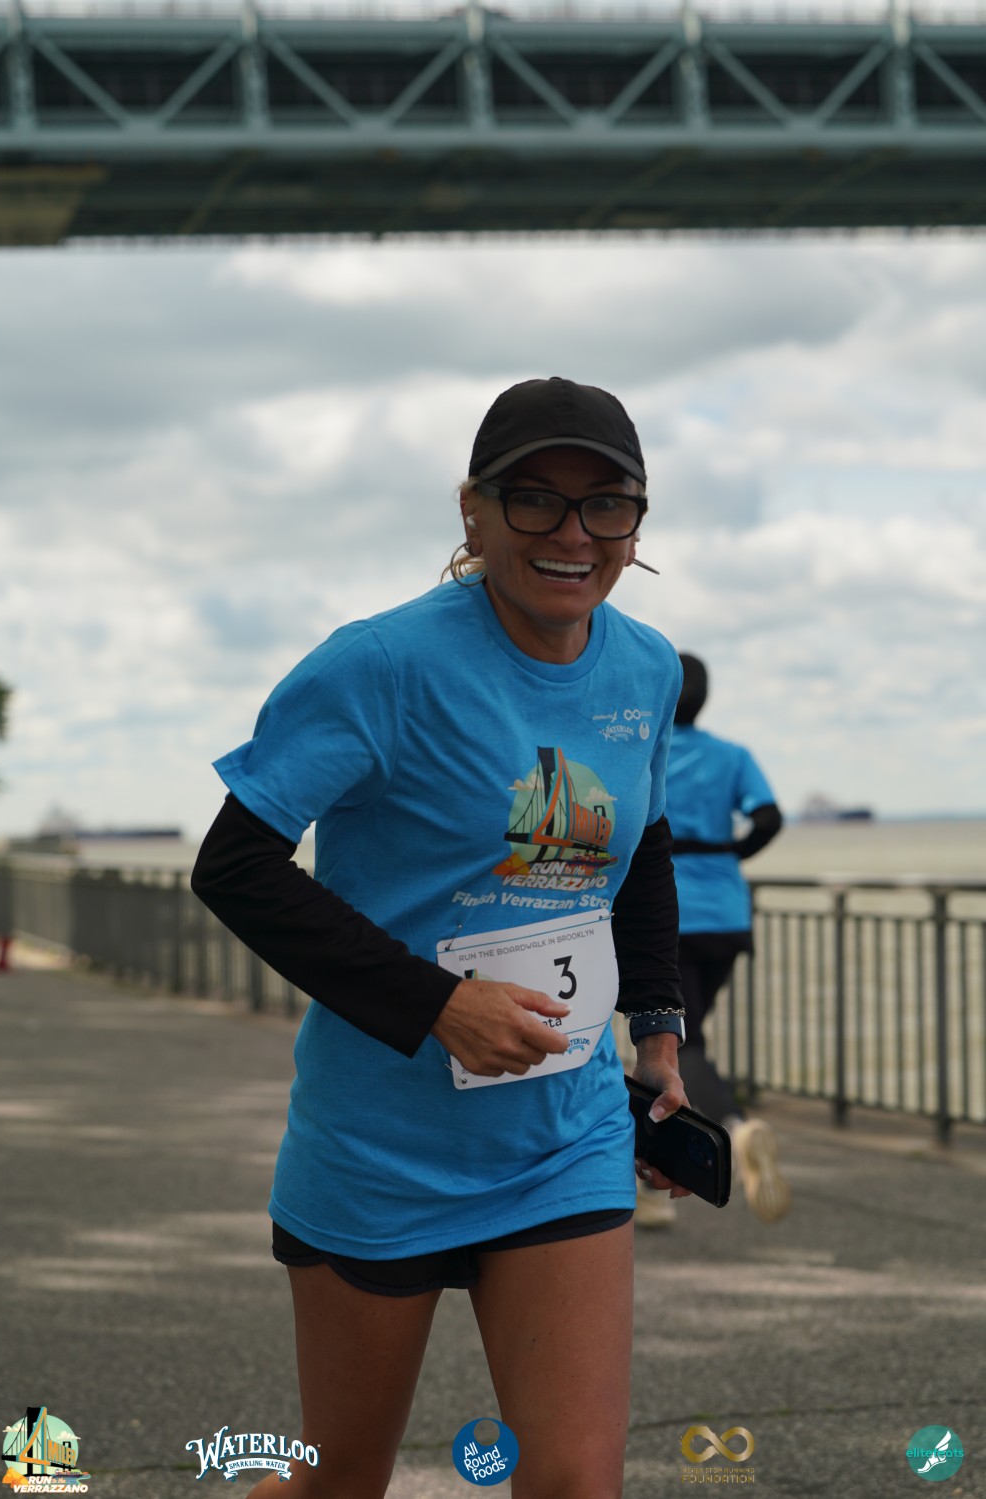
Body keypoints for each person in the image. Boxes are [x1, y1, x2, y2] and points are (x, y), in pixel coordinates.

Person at [191, 376, 691, 1499]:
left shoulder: (646, 666)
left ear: (636, 520)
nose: (573, 534)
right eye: (535, 498)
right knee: (340, 1480)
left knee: (575, 1482)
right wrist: (437, 1003)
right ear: (473, 508)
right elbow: (233, 866)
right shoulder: (379, 665)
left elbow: (646, 841)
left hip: (561, 1138)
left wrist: (657, 1029)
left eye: (606, 504)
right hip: (383, 1143)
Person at [665, 651, 791, 1225]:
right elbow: (769, 819)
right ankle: (650, 1188)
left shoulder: (648, 750)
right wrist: (727, 854)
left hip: (667, 916)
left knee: (674, 1042)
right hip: (726, 914)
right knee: (683, 1038)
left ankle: (736, 1128)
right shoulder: (732, 755)